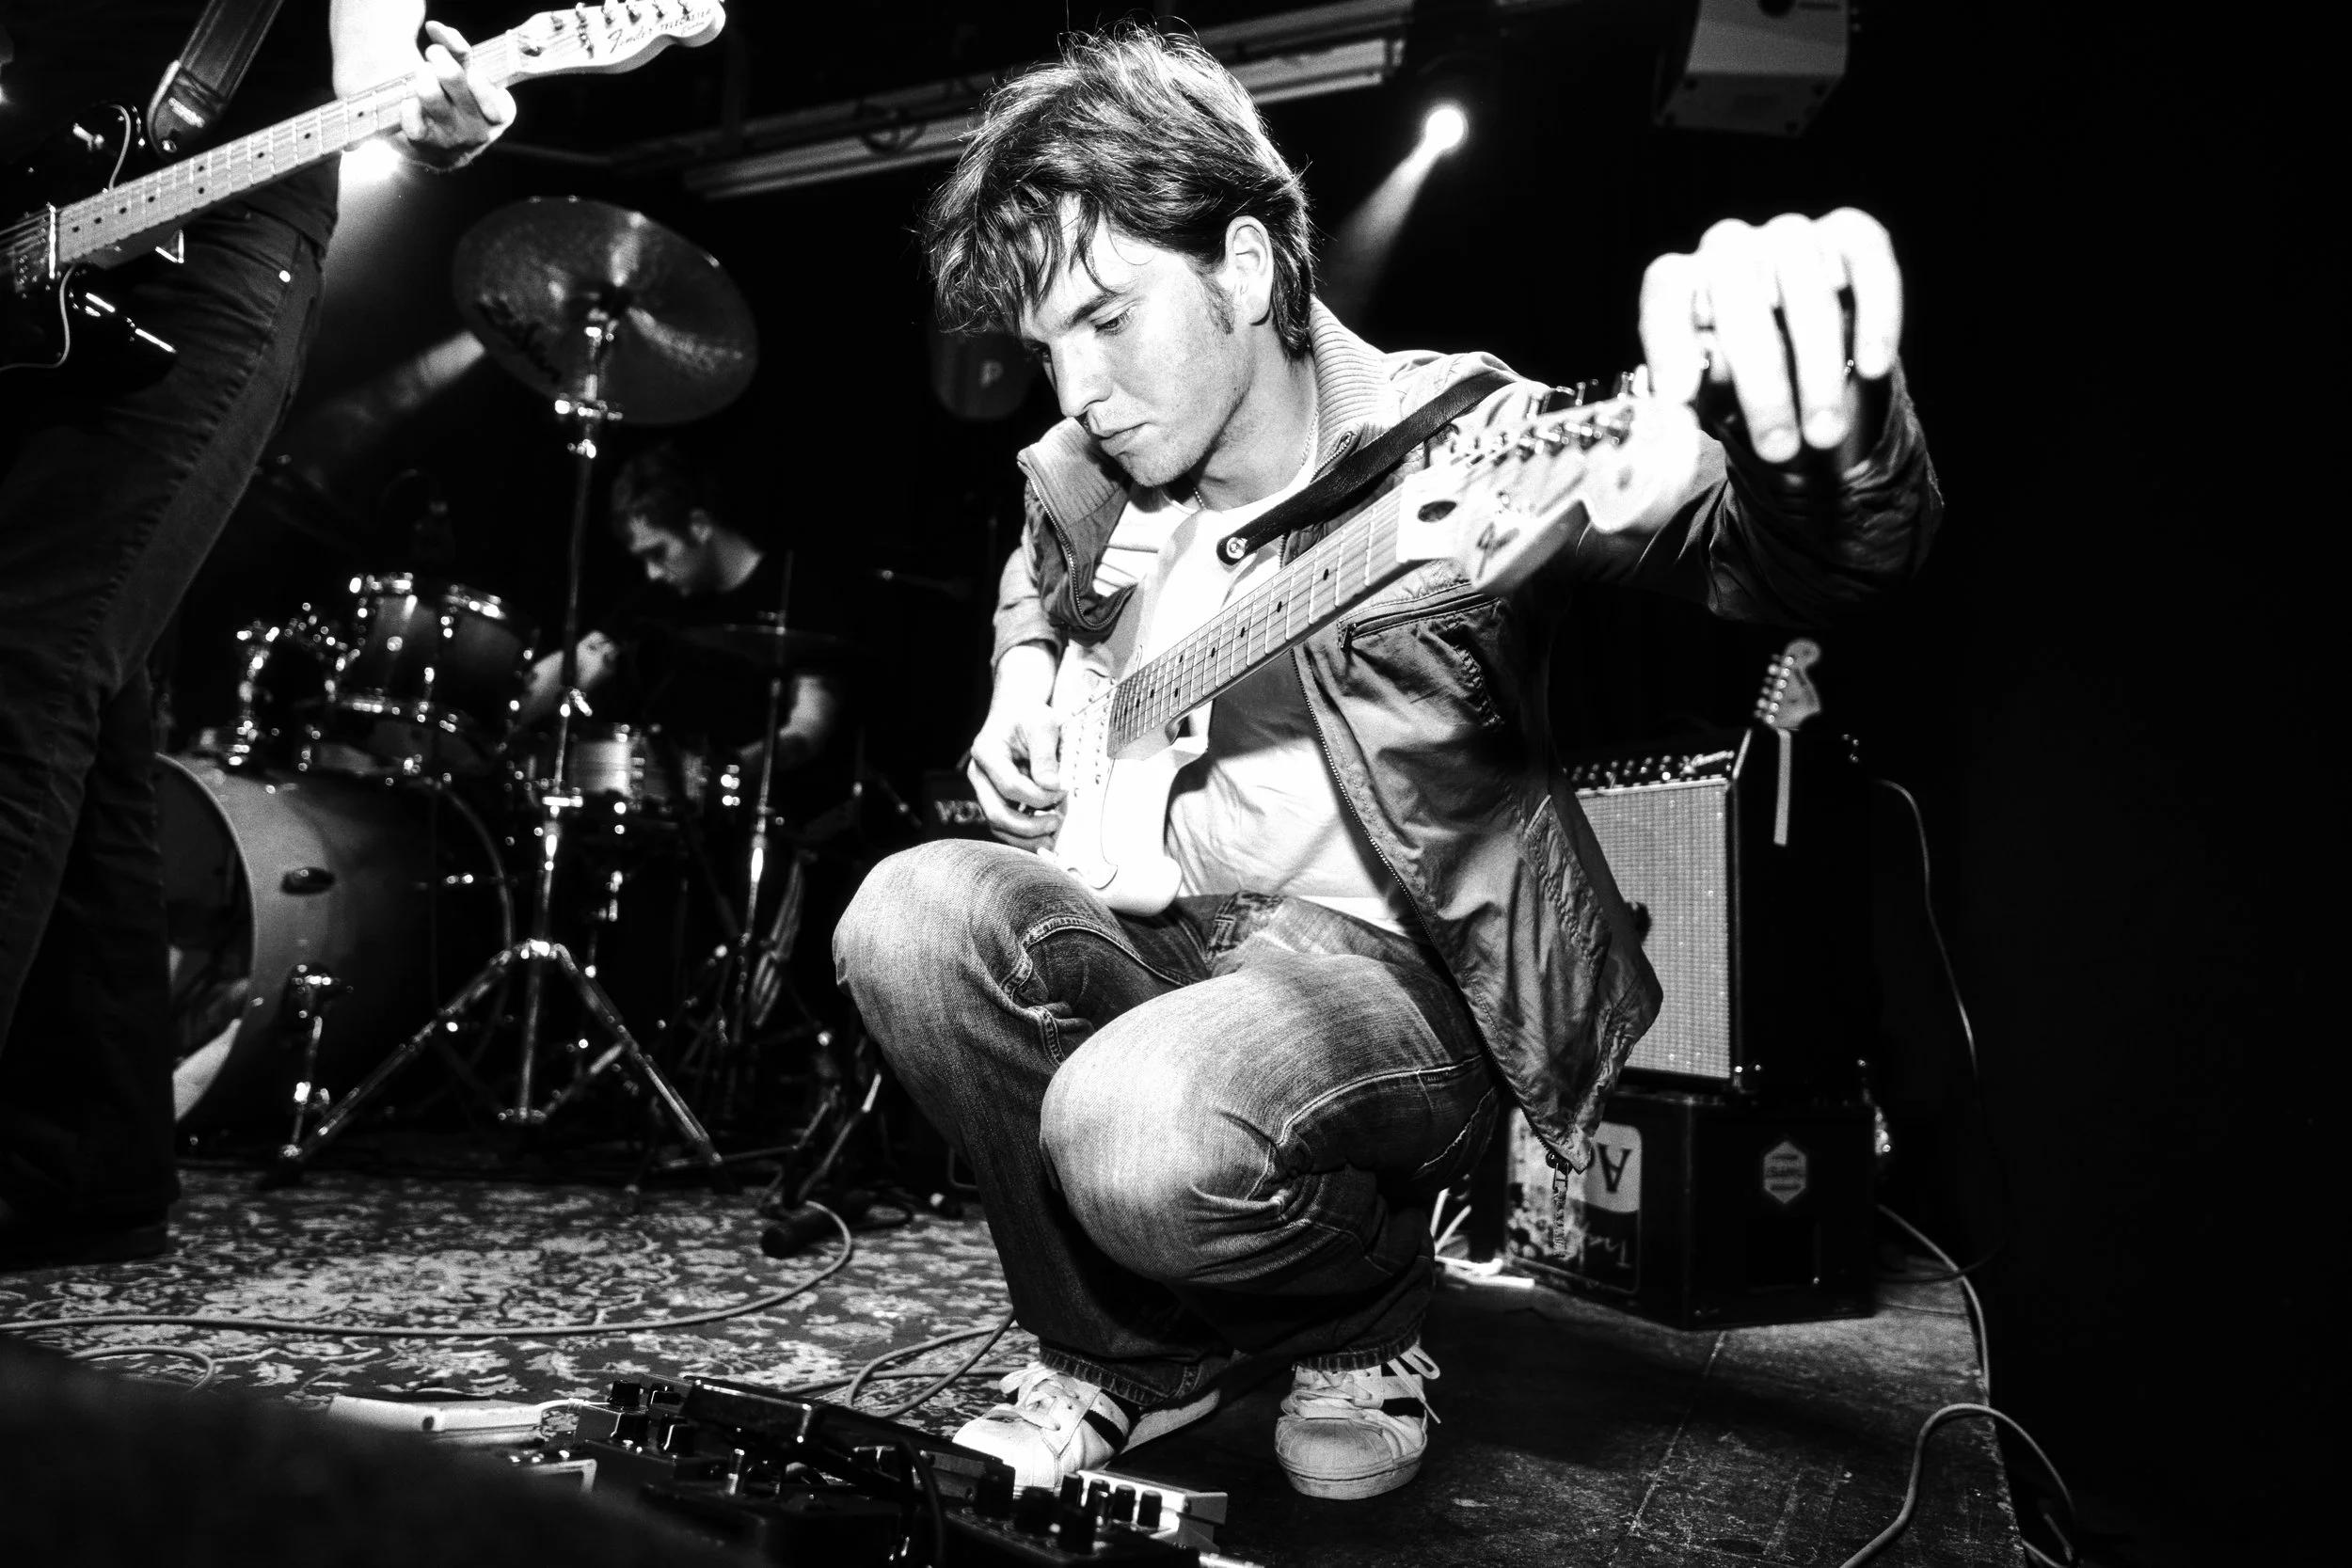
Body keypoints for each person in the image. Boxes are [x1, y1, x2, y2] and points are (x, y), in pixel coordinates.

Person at [833, 25, 1941, 1501]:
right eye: (1047, 346)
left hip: (1391, 981)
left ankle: (1365, 1321)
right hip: (1167, 933)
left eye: (1105, 317)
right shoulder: (1099, 471)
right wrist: (1024, 672)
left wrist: (1828, 441)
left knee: (1134, 1125)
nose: (1076, 386)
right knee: (905, 913)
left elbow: (1798, 559)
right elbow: (1039, 571)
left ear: (1242, 266)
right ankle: (1124, 1359)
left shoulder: (1465, 441)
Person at [0, 2, 513, 1270]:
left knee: (27, 664)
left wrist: (446, 117)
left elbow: (378, 78)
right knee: (92, 714)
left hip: (209, 249)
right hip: (43, 241)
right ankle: (83, 1168)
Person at [513, 440, 847, 788]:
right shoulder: (659, 597)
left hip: (757, 802)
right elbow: (580, 662)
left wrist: (723, 773)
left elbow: (809, 726)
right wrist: (501, 716)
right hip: (670, 802)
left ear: (698, 525)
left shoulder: (796, 595)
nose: (652, 573)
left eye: (658, 553)